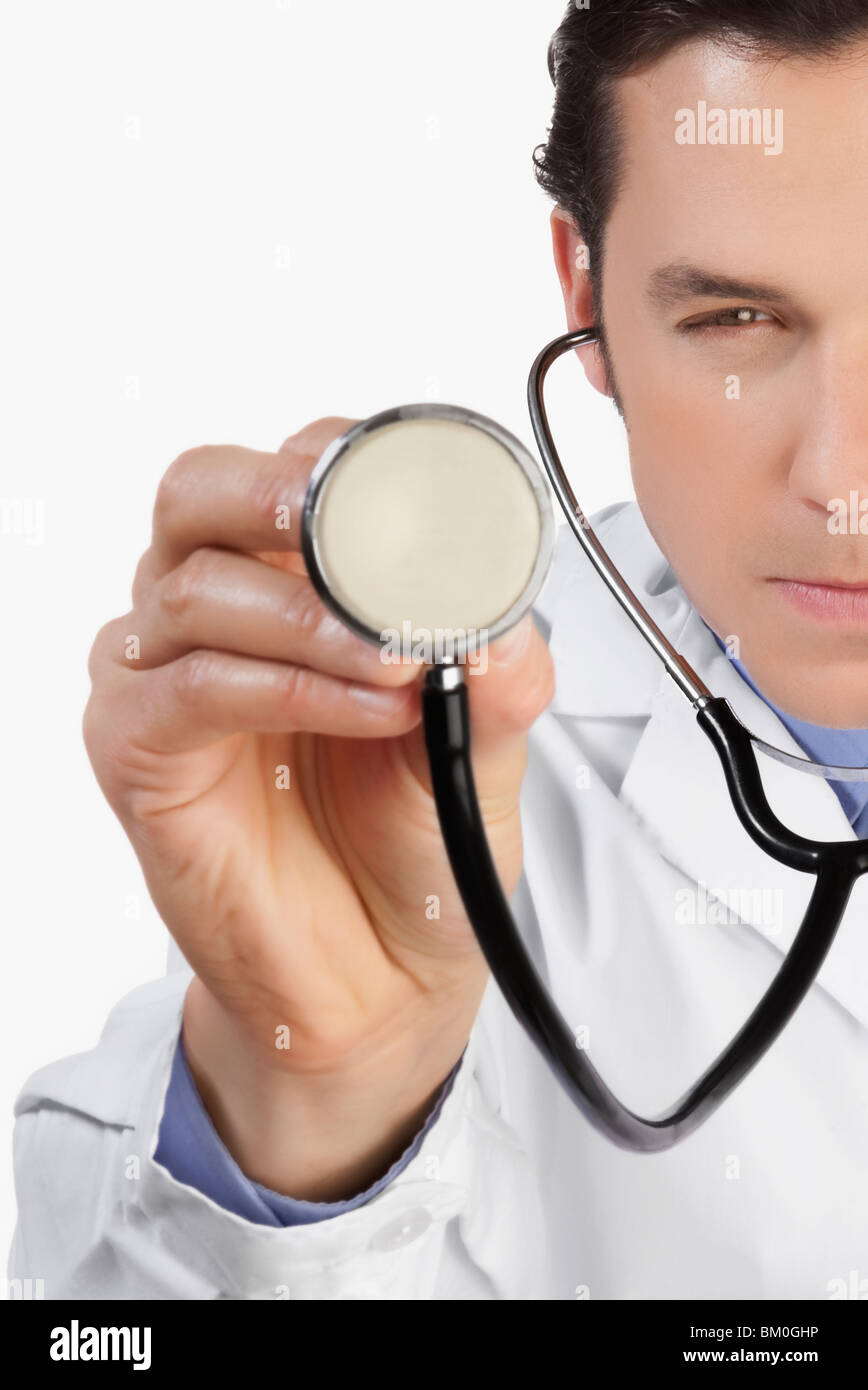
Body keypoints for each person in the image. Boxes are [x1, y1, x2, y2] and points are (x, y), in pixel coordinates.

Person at [8, 0, 868, 1300]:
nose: (841, 480)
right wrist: (309, 1114)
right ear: (583, 290)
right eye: (734, 323)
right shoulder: (417, 781)